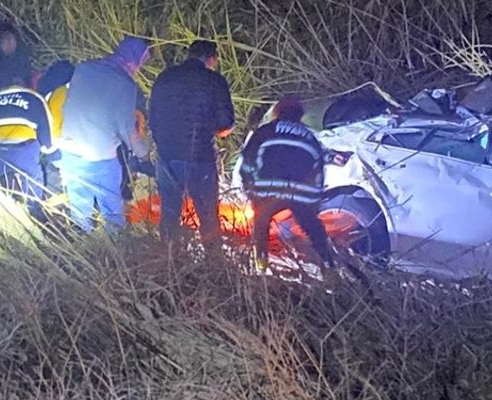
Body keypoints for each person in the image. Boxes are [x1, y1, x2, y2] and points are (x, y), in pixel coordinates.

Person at [54, 37, 151, 232]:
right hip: (99, 156)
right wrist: (143, 154)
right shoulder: (125, 84)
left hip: (70, 149)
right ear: (136, 60)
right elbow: (126, 128)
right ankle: (114, 254)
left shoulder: (84, 69)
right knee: (112, 212)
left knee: (79, 212)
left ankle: (81, 250)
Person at [148, 40, 235, 247]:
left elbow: (153, 119)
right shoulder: (214, 81)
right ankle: (213, 264)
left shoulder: (164, 78)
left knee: (169, 213)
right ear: (212, 58)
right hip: (200, 157)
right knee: (207, 216)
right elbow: (226, 123)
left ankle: (169, 260)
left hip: (167, 156)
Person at [240, 95, 335, 271]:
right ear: (299, 115)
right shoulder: (309, 136)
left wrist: (249, 188)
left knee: (260, 220)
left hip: (267, 188)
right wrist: (313, 203)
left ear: (276, 112)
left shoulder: (264, 131)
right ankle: (329, 265)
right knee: (313, 227)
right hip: (301, 192)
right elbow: (319, 169)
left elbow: (247, 160)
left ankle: (260, 263)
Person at [0, 77, 57, 213]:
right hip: (23, 145)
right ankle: (35, 215)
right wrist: (47, 148)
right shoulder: (33, 96)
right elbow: (46, 125)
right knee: (33, 184)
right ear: (25, 86)